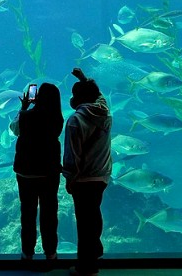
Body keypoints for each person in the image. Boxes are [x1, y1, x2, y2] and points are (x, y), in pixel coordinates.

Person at [63, 67, 112, 276]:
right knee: (94, 215)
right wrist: (84, 79)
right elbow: (99, 95)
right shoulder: (105, 113)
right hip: (102, 176)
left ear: (79, 98)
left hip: (83, 179)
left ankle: (87, 265)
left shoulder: (75, 120)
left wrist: (69, 178)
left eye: (75, 94)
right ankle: (95, 250)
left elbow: (72, 156)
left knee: (84, 222)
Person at [9, 82, 63, 261]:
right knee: (49, 213)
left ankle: (27, 253)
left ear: (37, 97)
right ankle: (51, 253)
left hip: (26, 173)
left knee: (28, 213)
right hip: (49, 173)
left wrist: (23, 107)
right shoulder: (57, 119)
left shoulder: (25, 116)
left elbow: (14, 130)